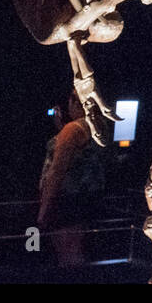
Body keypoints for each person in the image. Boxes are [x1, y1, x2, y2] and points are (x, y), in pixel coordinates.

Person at [37, 95, 106, 270]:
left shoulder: (73, 129)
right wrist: (60, 127)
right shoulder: (98, 126)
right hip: (86, 198)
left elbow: (57, 171)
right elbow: (80, 156)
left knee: (68, 254)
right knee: (77, 251)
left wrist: (44, 210)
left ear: (76, 103)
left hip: (67, 201)